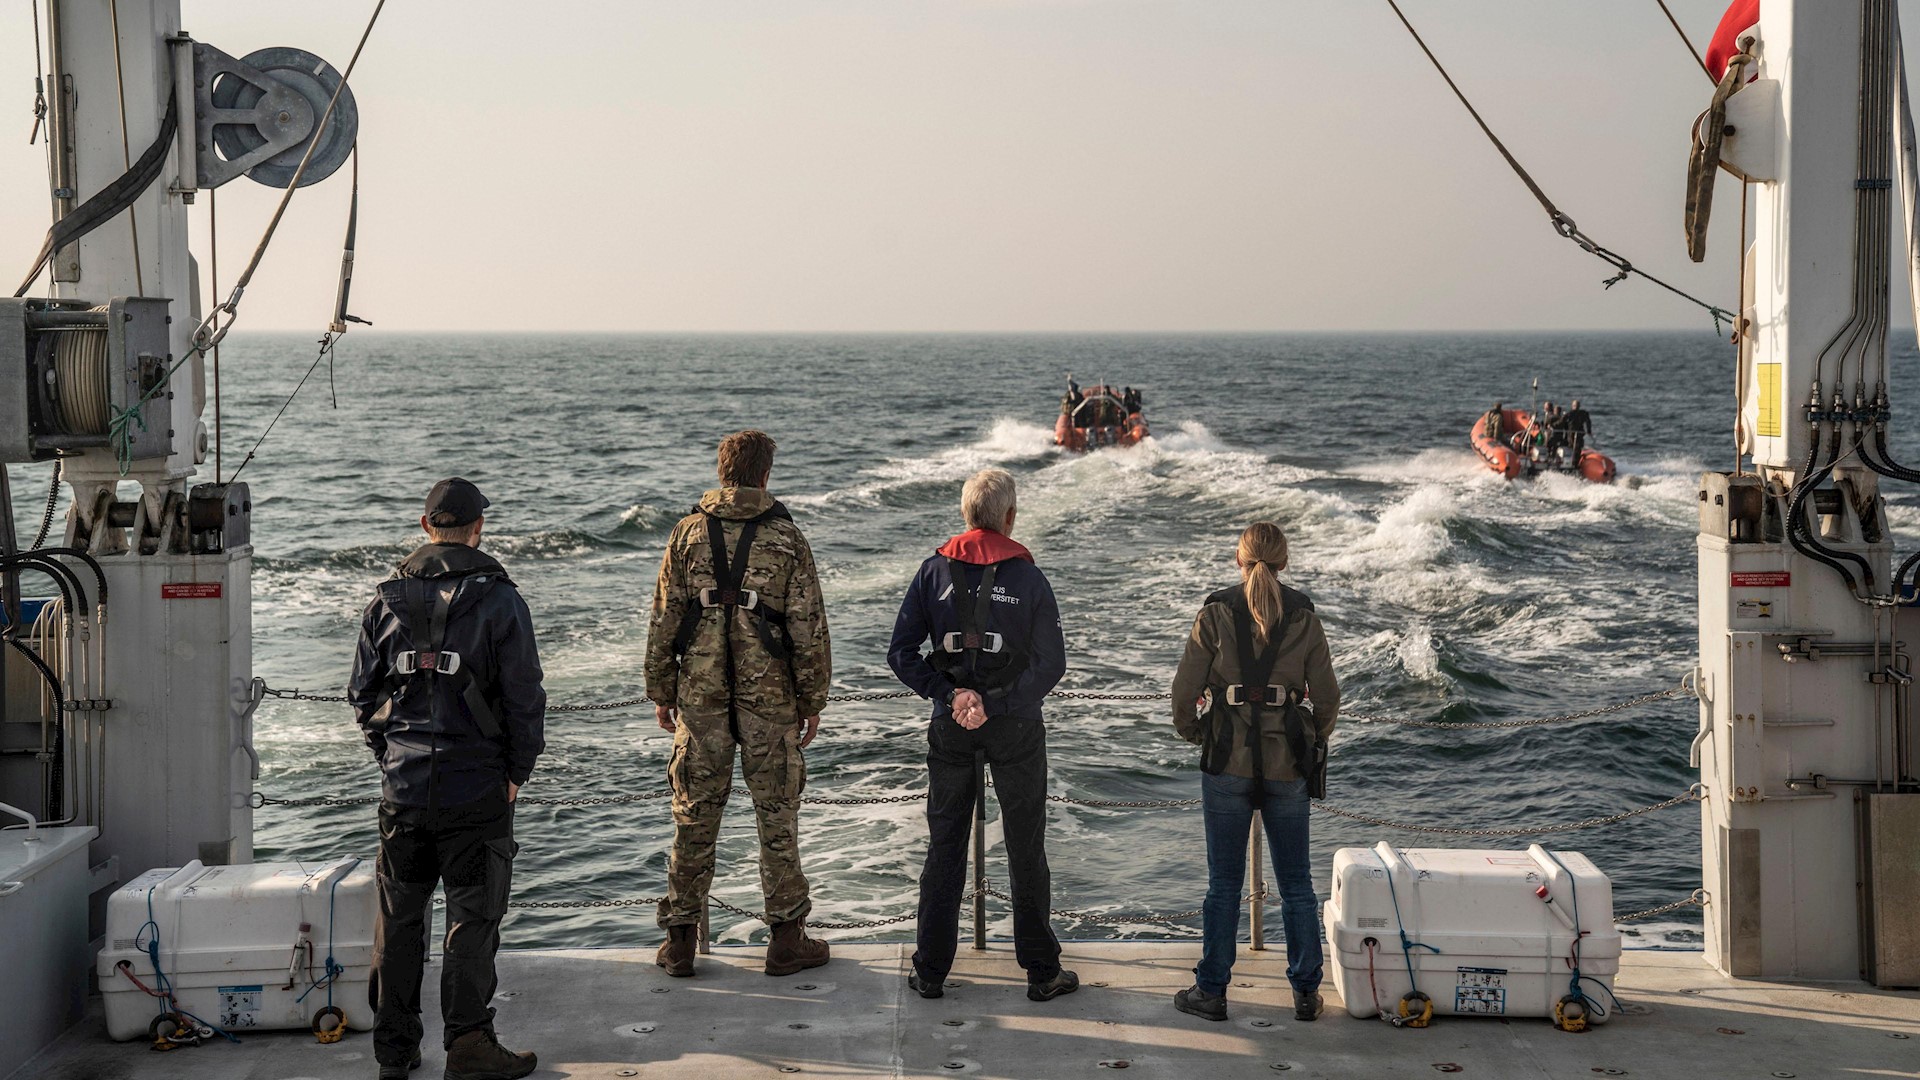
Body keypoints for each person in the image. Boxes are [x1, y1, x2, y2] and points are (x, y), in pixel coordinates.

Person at [348, 477, 546, 1080]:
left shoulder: (385, 599)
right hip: (477, 790)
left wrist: (393, 758)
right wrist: (515, 773)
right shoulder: (501, 600)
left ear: (425, 525)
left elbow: (363, 697)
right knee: (472, 919)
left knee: (401, 921)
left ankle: (395, 1050)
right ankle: (468, 1045)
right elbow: (524, 700)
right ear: (478, 528)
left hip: (404, 792)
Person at [645, 429, 833, 978]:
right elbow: (808, 627)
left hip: (698, 698)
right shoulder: (787, 539)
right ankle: (786, 939)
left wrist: (661, 691)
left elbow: (664, 620)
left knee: (693, 816)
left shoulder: (685, 535)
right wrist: (812, 698)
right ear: (765, 475)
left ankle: (680, 942)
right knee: (776, 817)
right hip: (770, 701)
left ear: (722, 470)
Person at [887, 467, 1075, 1003]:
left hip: (951, 725)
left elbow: (900, 653)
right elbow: (1050, 664)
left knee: (944, 847)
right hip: (1015, 727)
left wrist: (951, 696)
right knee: (1025, 848)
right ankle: (1042, 973)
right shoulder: (1030, 580)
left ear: (967, 515)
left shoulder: (931, 572)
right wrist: (995, 703)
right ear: (1009, 517)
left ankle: (930, 973)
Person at [1168, 522, 1339, 1025]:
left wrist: (1198, 732)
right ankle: (1306, 993)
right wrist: (1313, 737)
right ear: (1283, 562)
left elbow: (1184, 693)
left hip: (1226, 761)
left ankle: (1212, 991)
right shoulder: (1304, 615)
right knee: (1297, 885)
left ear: (1239, 560)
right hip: (1288, 762)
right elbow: (1327, 697)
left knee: (1223, 884)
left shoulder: (1215, 611)